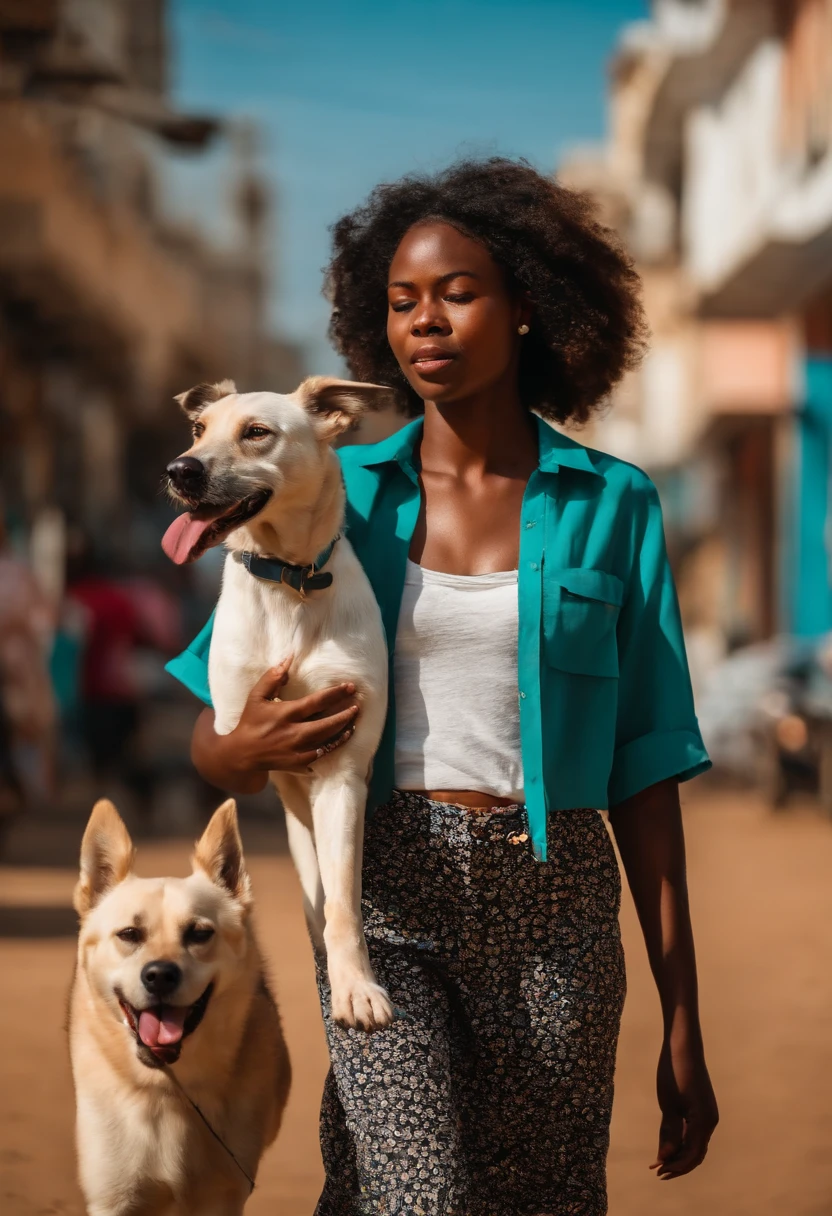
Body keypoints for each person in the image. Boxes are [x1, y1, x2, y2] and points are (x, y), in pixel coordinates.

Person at [168, 158, 718, 1215]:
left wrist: (682, 1019)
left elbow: (648, 767)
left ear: (525, 309)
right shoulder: (329, 489)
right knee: (422, 1195)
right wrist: (238, 752)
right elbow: (214, 722)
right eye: (402, 302)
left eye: (457, 294)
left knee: (543, 1196)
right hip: (381, 895)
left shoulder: (615, 504)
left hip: (556, 902)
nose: (425, 321)